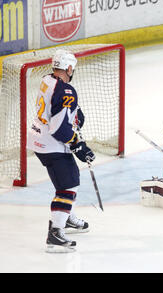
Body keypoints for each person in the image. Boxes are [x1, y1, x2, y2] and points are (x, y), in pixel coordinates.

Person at [27, 49, 96, 253]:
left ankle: (66, 219)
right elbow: (58, 128)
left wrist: (74, 113)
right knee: (69, 185)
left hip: (38, 138)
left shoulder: (47, 79)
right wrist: (78, 145)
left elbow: (55, 109)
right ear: (68, 68)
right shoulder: (66, 90)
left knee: (68, 180)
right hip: (51, 144)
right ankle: (55, 233)